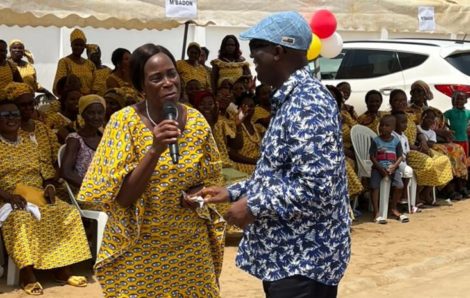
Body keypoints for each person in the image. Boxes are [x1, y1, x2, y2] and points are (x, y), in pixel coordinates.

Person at [198, 11, 350, 298]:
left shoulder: (308, 102)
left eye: (258, 50)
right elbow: (280, 174)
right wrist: (232, 192)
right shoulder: (290, 98)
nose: (252, 60)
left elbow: (318, 186)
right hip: (289, 255)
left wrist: (252, 204)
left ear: (278, 51)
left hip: (305, 258)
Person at [77, 43, 225, 297]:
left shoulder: (197, 121)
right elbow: (123, 199)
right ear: (141, 86)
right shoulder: (123, 123)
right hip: (140, 246)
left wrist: (198, 194)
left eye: (171, 73)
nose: (168, 82)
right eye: (156, 78)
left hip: (190, 244)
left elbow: (211, 181)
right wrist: (155, 149)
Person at [0, 95, 91, 295]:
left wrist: (49, 187)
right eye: (5, 114)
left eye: (14, 114)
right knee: (21, 218)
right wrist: (8, 196)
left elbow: (46, 173)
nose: (12, 118)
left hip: (36, 194)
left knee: (67, 212)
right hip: (6, 198)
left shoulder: (29, 143)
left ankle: (63, 270)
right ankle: (27, 275)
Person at [5, 82, 60, 167]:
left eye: (31, 103)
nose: (28, 108)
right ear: (13, 106)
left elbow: (56, 157)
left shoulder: (43, 128)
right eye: (23, 105)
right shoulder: (10, 133)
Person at [60, 95, 105, 190]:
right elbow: (66, 172)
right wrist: (92, 188)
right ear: (83, 114)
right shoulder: (75, 140)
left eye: (100, 113)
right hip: (84, 191)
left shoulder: (104, 139)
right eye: (91, 113)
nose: (96, 117)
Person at [370, 115, 407, 223]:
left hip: (392, 168)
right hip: (378, 167)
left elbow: (400, 156)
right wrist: (380, 168)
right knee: (374, 186)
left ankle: (393, 208)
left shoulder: (396, 141)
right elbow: (372, 156)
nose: (383, 128)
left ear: (393, 128)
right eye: (382, 125)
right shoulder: (376, 141)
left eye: (387, 126)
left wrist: (394, 166)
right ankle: (376, 212)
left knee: (399, 186)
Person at [228, 92, 265, 175]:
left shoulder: (258, 127)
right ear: (239, 108)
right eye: (245, 106)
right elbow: (232, 154)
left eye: (251, 106)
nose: (248, 108)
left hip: (258, 164)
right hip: (243, 166)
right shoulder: (232, 126)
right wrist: (253, 161)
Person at [53, 29, 96, 96]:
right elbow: (58, 86)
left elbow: (95, 85)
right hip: (71, 101)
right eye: (76, 44)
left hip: (88, 101)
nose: (79, 47)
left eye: (81, 45)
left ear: (84, 47)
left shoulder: (90, 64)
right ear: (71, 45)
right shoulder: (64, 62)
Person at [444, 91, 470, 156]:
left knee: (464, 159)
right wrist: (447, 127)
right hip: (453, 140)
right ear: (454, 100)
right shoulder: (450, 112)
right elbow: (440, 118)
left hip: (464, 140)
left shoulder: (468, 112)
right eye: (457, 99)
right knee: (455, 159)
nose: (459, 101)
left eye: (461, 99)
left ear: (465, 101)